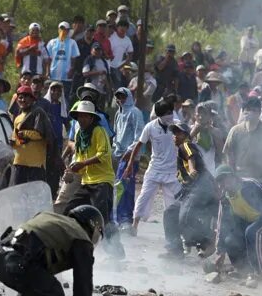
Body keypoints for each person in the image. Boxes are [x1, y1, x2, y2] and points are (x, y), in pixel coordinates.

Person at [63, 100, 124, 260]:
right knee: (69, 211)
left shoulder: (99, 131)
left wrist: (82, 163)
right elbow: (79, 159)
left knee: (102, 218)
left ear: (91, 118)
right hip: (87, 181)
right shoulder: (79, 135)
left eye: (85, 116)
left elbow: (103, 155)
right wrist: (70, 171)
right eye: (79, 116)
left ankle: (115, 252)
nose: (82, 119)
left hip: (103, 180)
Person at [161, 122, 219, 259]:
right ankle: (174, 250)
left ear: (186, 135)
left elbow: (191, 157)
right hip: (192, 191)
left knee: (185, 218)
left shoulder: (186, 145)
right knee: (170, 213)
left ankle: (209, 240)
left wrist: (192, 169)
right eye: (174, 133)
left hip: (201, 188)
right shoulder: (181, 150)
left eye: (178, 133)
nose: (175, 136)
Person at [213, 165, 262, 279]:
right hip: (247, 223)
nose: (224, 183)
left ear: (233, 177)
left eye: (225, 178)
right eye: (220, 181)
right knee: (230, 240)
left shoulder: (250, 184)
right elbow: (221, 224)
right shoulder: (225, 198)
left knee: (253, 232)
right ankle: (245, 270)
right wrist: (220, 251)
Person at [125, 99, 181, 234]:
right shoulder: (150, 127)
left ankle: (175, 234)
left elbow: (188, 139)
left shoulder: (178, 126)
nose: (170, 115)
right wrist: (130, 164)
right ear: (160, 115)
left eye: (171, 112)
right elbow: (138, 145)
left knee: (174, 203)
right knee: (144, 197)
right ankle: (134, 226)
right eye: (167, 113)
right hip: (154, 169)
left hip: (172, 171)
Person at [223, 96, 262, 191]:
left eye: (254, 110)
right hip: (241, 182)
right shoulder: (235, 131)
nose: (250, 113)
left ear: (259, 112)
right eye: (247, 110)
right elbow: (230, 157)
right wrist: (232, 179)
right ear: (243, 112)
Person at [112, 88, 142, 229]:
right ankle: (119, 218)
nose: (121, 99)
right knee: (119, 186)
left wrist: (130, 151)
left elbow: (139, 135)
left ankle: (126, 219)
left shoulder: (135, 112)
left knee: (126, 187)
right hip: (119, 154)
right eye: (118, 97)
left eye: (123, 96)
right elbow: (117, 133)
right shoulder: (119, 113)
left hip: (130, 157)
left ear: (128, 97)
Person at [10, 85, 51, 185]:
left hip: (35, 164)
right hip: (19, 162)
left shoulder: (38, 113)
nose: (23, 100)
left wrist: (25, 134)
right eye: (20, 97)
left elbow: (41, 134)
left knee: (34, 196)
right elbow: (17, 139)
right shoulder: (18, 118)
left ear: (32, 99)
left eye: (26, 97)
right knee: (18, 193)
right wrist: (13, 142)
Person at [45, 21, 80, 105]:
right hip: (53, 75)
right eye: (61, 29)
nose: (63, 31)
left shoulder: (72, 42)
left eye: (65, 29)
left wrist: (71, 69)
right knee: (51, 97)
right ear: (58, 30)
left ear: (68, 30)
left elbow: (74, 57)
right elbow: (48, 58)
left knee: (64, 98)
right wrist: (47, 71)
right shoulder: (52, 42)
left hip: (66, 76)